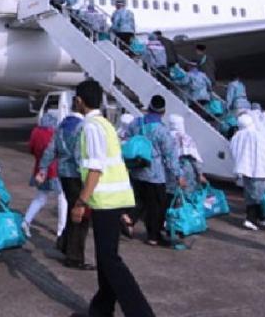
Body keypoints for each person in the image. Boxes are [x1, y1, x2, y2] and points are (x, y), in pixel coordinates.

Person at [70, 80, 154, 317]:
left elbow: (95, 168)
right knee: (106, 259)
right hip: (113, 199)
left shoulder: (91, 127)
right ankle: (101, 310)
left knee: (110, 261)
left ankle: (141, 313)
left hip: (105, 201)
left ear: (79, 101)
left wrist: (80, 203)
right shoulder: (105, 124)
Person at [124, 95, 183, 246]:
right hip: (154, 173)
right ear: (163, 112)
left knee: (140, 199)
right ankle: (153, 236)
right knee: (156, 205)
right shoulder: (162, 131)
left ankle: (129, 218)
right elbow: (170, 155)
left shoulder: (136, 123)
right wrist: (178, 175)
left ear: (148, 107)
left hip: (136, 169)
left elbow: (127, 138)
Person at [42, 110, 94, 270]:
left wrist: (43, 167)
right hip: (76, 174)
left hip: (63, 173)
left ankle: (64, 243)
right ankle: (74, 256)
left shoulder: (61, 126)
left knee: (73, 210)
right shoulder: (81, 127)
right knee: (81, 215)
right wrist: (87, 176)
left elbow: (51, 149)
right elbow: (79, 154)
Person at [23, 112, 68, 245]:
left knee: (40, 197)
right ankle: (61, 229)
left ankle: (26, 221)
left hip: (39, 169)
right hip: (54, 169)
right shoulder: (55, 132)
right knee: (62, 198)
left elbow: (31, 148)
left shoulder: (35, 132)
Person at [231, 114, 265, 230]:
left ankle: (254, 218)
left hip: (245, 170)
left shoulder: (237, 135)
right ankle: (252, 219)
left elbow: (233, 151)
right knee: (259, 196)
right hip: (260, 170)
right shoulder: (258, 134)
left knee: (250, 195)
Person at [167, 115, 207, 195]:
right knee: (186, 197)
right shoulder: (186, 138)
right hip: (186, 171)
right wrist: (200, 174)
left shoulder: (166, 136)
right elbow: (194, 158)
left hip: (168, 171)